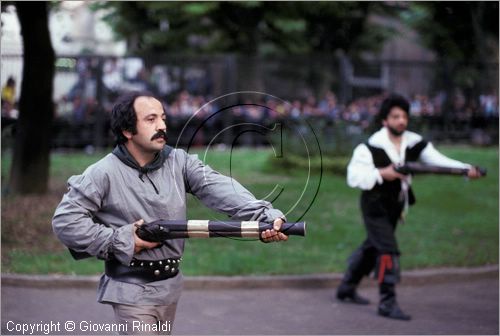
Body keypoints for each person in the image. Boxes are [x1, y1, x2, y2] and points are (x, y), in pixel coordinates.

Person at [52, 91, 288, 335]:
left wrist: (265, 216)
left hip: (169, 288)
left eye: (163, 118)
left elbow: (220, 189)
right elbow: (66, 222)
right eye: (151, 119)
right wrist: (120, 240)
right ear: (127, 130)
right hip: (130, 291)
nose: (162, 125)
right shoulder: (102, 172)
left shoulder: (179, 162)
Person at [336, 93, 482, 321]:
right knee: (387, 250)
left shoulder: (413, 142)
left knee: (372, 246)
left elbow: (439, 161)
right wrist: (384, 172)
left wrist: (465, 169)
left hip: (396, 205)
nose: (401, 120)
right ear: (385, 120)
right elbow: (353, 177)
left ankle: (347, 286)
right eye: (395, 116)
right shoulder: (369, 147)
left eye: (404, 116)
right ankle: (387, 302)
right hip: (374, 205)